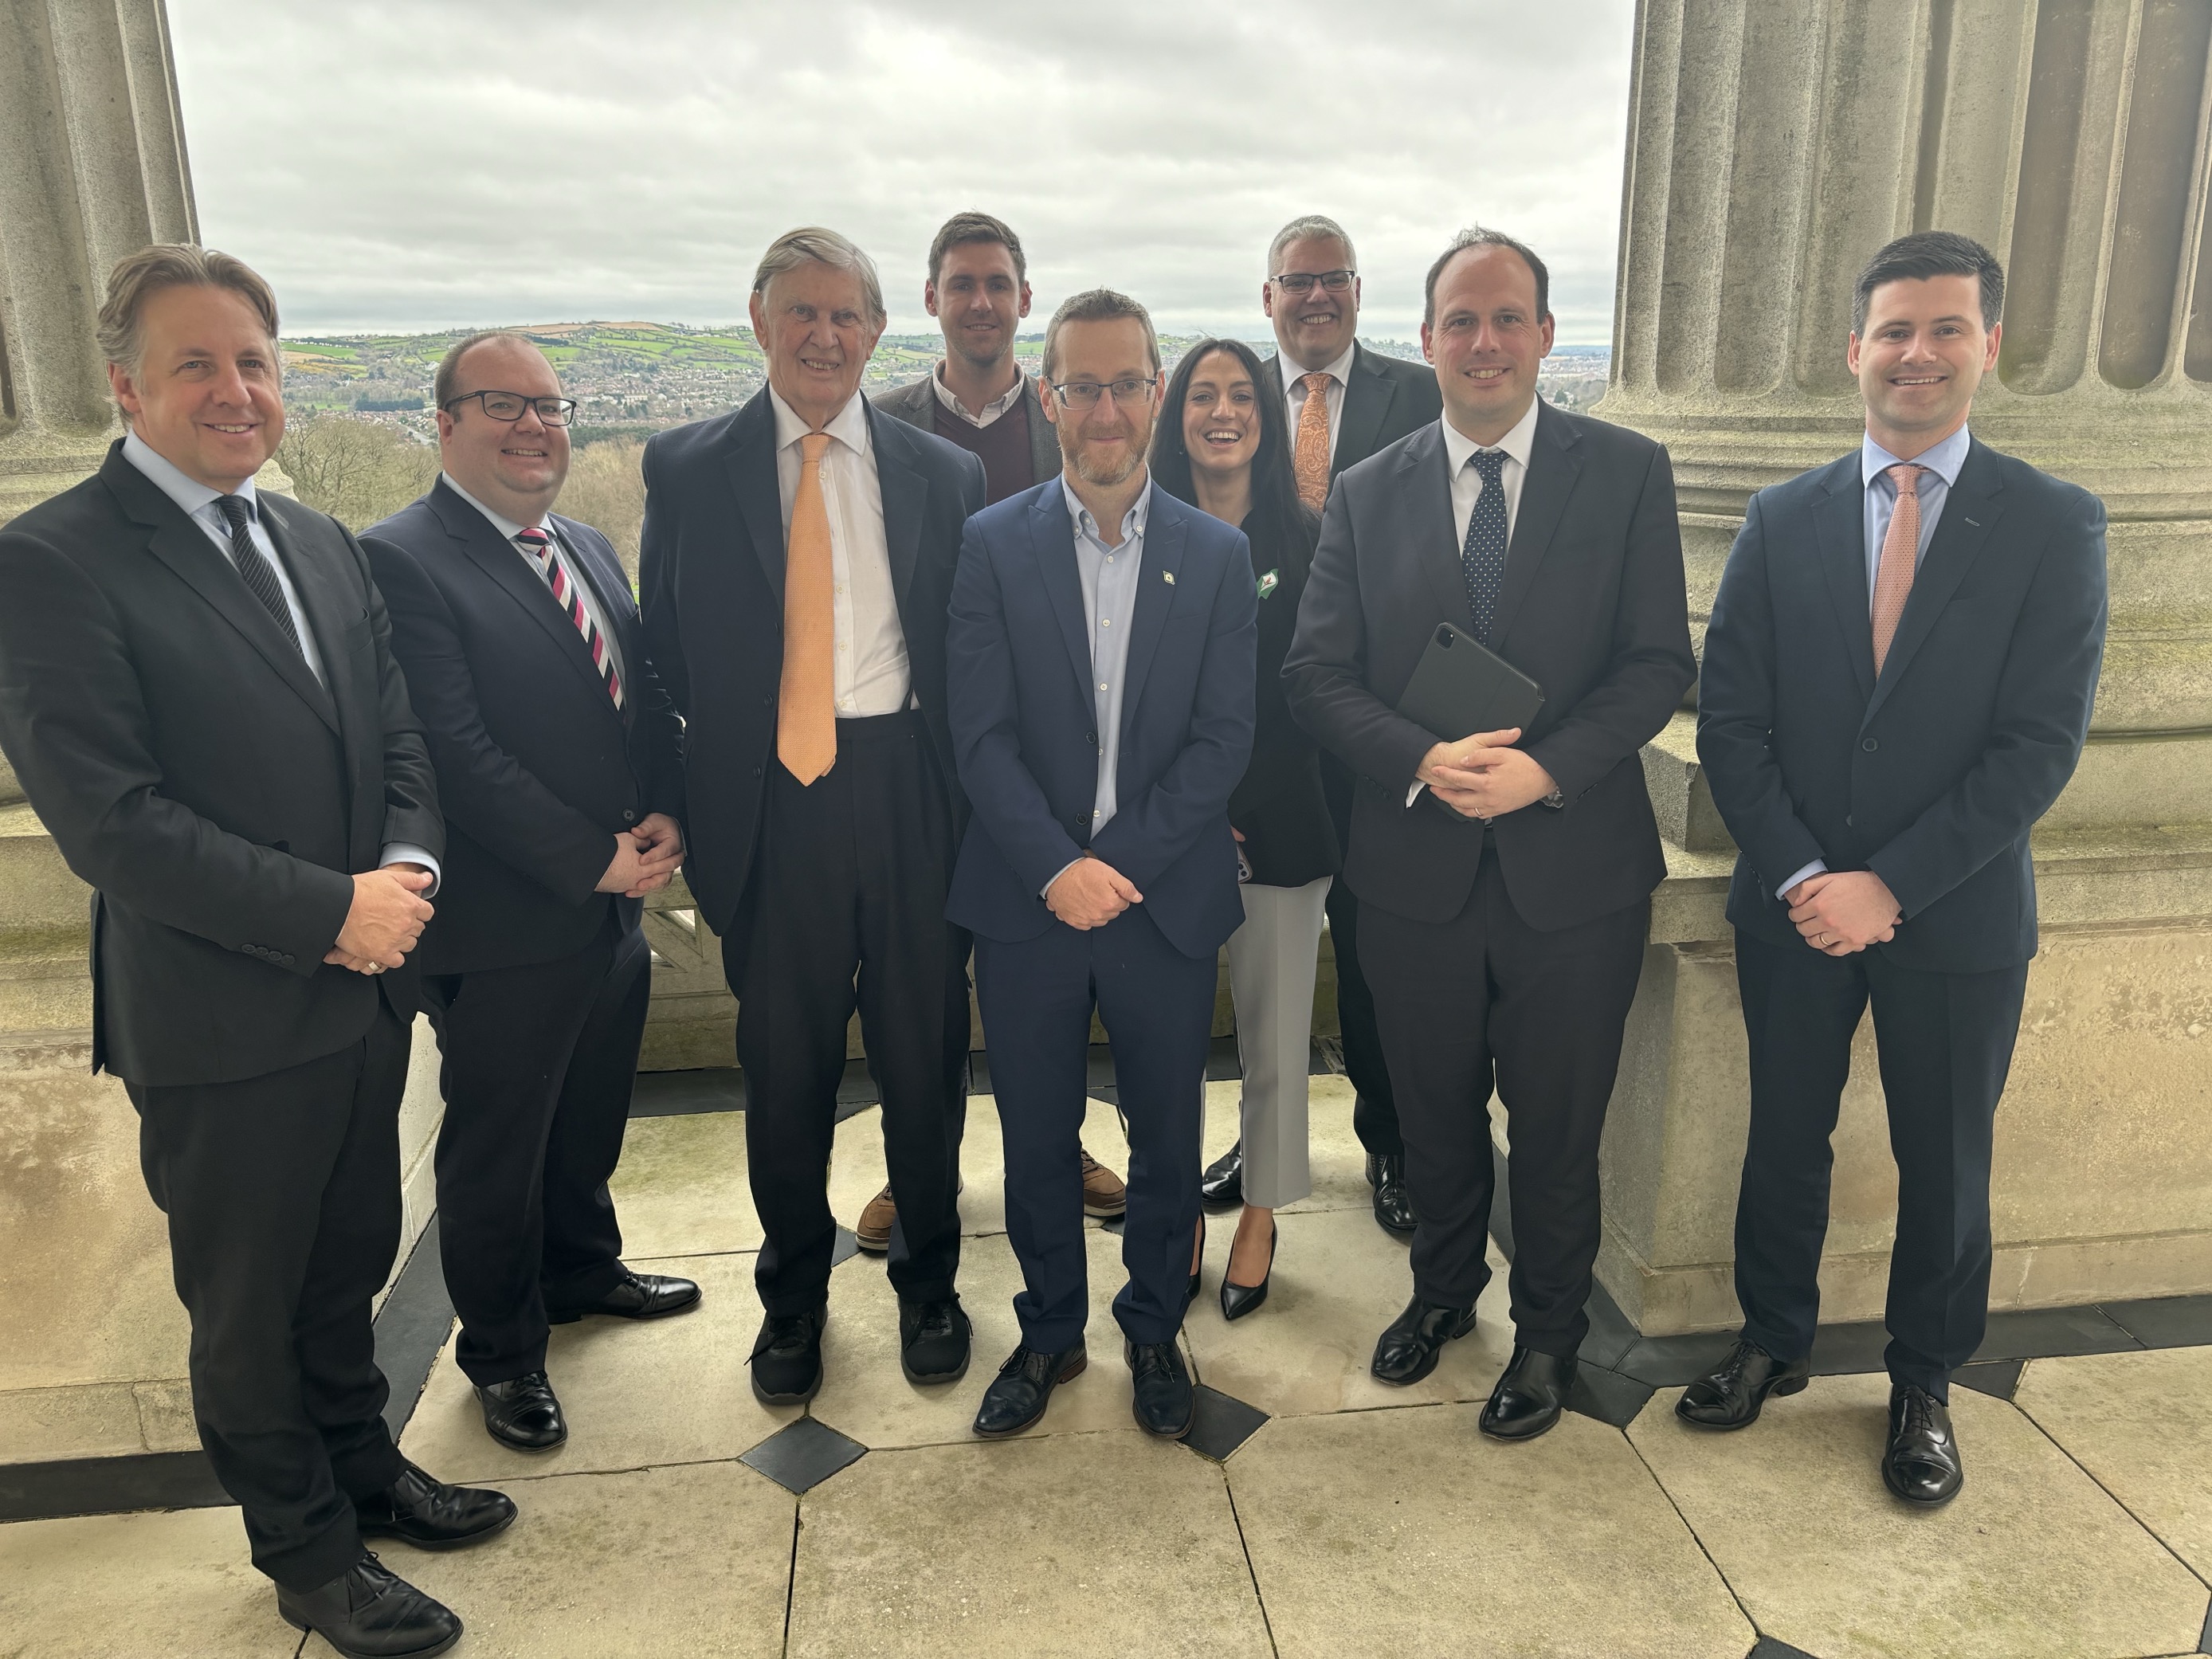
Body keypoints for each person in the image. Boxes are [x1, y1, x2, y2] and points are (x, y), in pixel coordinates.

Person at [0, 245, 508, 1659]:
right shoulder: (47, 561)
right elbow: (115, 824)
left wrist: (404, 872)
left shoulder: (316, 542)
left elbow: (397, 735)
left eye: (256, 362)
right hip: (222, 1018)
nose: (237, 391)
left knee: (346, 1257)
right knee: (244, 1303)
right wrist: (326, 913)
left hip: (361, 991)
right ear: (124, 386)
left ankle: (364, 1466)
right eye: (197, 364)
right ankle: (305, 1549)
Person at [1686, 232, 2108, 1506]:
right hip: (1796, 905)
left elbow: (2041, 744)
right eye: (1893, 331)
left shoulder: (2052, 522)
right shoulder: (1782, 514)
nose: (1915, 353)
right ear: (1853, 351)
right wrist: (1807, 870)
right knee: (1785, 1139)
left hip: (1957, 912)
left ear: (1986, 345)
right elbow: (1731, 721)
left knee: (1947, 1157)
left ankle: (1925, 1378)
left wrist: (1894, 882)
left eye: (1944, 329)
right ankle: (1773, 1339)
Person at [1284, 226, 1694, 1441]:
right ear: (1424, 339)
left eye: (1508, 317)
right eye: (1460, 320)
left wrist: (1545, 771)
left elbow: (1657, 661)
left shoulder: (1627, 471)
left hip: (1576, 875)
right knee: (1435, 1112)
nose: (1484, 341)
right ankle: (1444, 1296)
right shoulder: (1366, 489)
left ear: (1546, 335)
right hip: (1414, 876)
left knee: (1562, 1130)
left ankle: (1551, 1335)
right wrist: (1419, 755)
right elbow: (1316, 674)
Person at [639, 228, 986, 1406]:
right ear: (759, 319)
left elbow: (967, 653)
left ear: (879, 332)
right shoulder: (685, 468)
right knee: (782, 1079)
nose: (825, 335)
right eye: (802, 312)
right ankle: (792, 1302)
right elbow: (665, 654)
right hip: (770, 809)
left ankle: (930, 1284)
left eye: (847, 316)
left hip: (908, 800)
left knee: (926, 1063)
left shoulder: (944, 475)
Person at [363, 331, 700, 1457]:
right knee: (498, 1146)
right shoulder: (402, 557)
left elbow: (639, 694)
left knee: (590, 1111)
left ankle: (581, 1270)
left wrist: (664, 811)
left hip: (610, 901)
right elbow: (452, 750)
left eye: (551, 407)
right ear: (445, 422)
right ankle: (502, 1353)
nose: (534, 427)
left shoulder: (589, 543)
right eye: (502, 404)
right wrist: (590, 855)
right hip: (507, 919)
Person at [948, 289, 1256, 1438]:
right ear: (1050, 397)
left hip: (1160, 901)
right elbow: (975, 734)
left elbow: (1226, 737)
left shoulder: (1218, 556)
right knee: (1034, 1129)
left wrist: (1111, 865)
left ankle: (1149, 1322)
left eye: (1129, 382)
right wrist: (1055, 868)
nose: (1109, 408)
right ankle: (1048, 1330)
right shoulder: (991, 542)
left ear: (1156, 395)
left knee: (1167, 1135)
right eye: (1085, 385)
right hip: (1028, 903)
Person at [869, 210, 1128, 1251]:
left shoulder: (1067, 420)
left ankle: (1055, 1147)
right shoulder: (879, 427)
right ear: (932, 298)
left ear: (1024, 299)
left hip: (1053, 755)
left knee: (1046, 972)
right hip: (915, 756)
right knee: (917, 985)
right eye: (962, 283)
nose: (981, 302)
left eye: (1000, 284)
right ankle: (916, 1168)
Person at [1205, 214, 1443, 1237]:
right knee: (1263, 963)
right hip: (1263, 748)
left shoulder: (1423, 397)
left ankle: (1391, 1146)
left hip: (1377, 736)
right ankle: (1263, 1148)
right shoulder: (1238, 403)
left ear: (1356, 291)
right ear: (1268, 299)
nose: (1314, 297)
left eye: (1332, 279)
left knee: (1377, 961)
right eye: (1294, 282)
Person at [1151, 336, 1337, 1320]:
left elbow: (1314, 694)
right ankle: (1176, 1211)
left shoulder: (1310, 538)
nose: (1221, 412)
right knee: (1168, 1043)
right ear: (1174, 415)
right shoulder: (1139, 534)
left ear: (1264, 417)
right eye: (1201, 396)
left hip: (1282, 825)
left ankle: (1259, 1212)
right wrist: (1187, 816)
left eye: (1240, 396)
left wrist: (1233, 809)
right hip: (1165, 835)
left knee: (1273, 1039)